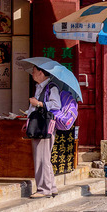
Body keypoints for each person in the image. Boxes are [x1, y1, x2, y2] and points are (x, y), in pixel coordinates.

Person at [26, 66, 61, 199]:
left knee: (41, 158)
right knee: (44, 157)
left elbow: (56, 105)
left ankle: (43, 189)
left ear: (41, 72)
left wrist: (39, 103)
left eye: (34, 71)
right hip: (37, 124)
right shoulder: (39, 87)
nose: (32, 73)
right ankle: (51, 187)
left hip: (44, 126)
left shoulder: (51, 87)